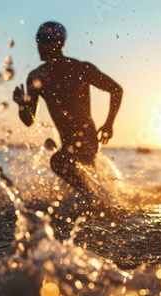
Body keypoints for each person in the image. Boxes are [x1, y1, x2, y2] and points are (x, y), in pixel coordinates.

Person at [13, 21, 123, 196]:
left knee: (58, 162)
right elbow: (29, 120)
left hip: (87, 138)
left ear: (60, 43)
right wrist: (21, 105)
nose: (41, 45)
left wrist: (109, 124)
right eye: (39, 39)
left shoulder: (79, 69)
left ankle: (95, 199)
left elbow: (116, 90)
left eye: (46, 39)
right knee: (73, 187)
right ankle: (99, 200)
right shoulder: (36, 77)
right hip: (67, 143)